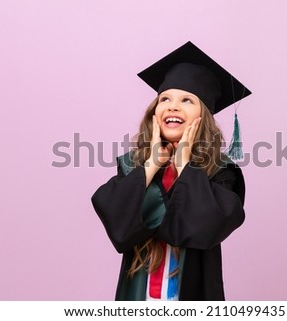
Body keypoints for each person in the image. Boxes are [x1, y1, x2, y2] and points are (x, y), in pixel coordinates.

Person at [91, 41, 251, 301]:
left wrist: (186, 167)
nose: (173, 106)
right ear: (154, 113)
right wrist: (152, 164)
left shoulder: (221, 172)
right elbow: (117, 223)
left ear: (204, 117)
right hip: (138, 294)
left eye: (187, 100)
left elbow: (206, 228)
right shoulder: (134, 165)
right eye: (165, 98)